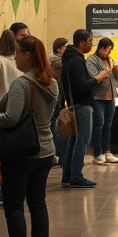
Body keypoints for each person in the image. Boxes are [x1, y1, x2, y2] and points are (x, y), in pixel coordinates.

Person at [0, 35, 59, 237]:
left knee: (14, 205)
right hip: (45, 150)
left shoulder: (21, 84)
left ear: (28, 55)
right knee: (38, 203)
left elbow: (11, 119)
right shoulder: (51, 82)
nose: (14, 57)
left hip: (21, 153)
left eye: (17, 53)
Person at [61, 29, 108, 188]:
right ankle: (76, 176)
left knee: (74, 139)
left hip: (76, 103)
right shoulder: (76, 61)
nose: (91, 45)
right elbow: (81, 85)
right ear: (81, 43)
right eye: (90, 41)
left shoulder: (71, 58)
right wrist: (98, 78)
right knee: (82, 140)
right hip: (81, 104)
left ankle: (68, 174)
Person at [0, 29, 22, 206]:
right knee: (15, 153)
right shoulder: (19, 61)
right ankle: (14, 192)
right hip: (18, 110)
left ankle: (0, 194)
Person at [86, 37, 118, 164]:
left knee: (108, 126)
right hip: (98, 97)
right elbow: (93, 77)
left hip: (111, 97)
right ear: (101, 48)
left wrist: (117, 71)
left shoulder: (109, 59)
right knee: (99, 125)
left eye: (110, 50)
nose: (109, 53)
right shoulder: (92, 60)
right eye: (107, 50)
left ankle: (107, 151)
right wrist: (105, 73)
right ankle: (97, 153)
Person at [49, 37, 68, 165]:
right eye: (66, 47)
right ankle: (58, 154)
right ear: (59, 49)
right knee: (56, 127)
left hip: (59, 97)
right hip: (57, 98)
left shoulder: (57, 62)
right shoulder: (58, 62)